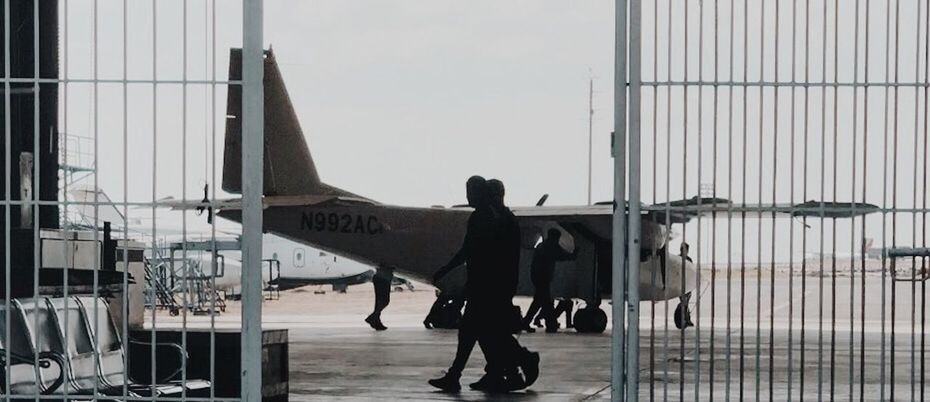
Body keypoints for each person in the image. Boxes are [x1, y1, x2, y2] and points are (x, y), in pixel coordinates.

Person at [429, 176, 505, 392]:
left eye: (471, 191)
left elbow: (469, 251)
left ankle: (466, 375)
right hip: (485, 285)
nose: (468, 195)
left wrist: (446, 269)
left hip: (482, 285)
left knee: (472, 332)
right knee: (477, 333)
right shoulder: (492, 217)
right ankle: (492, 373)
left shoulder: (481, 219)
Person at [522, 229, 576, 333]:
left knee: (539, 301)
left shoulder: (542, 245)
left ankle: (527, 322)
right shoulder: (551, 246)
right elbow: (562, 255)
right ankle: (550, 324)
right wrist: (575, 254)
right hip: (543, 278)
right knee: (546, 302)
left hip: (537, 277)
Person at [365, 266, 394, 331]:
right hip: (383, 278)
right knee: (384, 301)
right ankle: (373, 317)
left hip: (383, 278)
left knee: (381, 301)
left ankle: (375, 319)